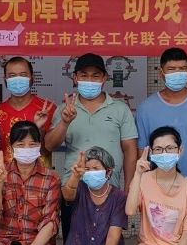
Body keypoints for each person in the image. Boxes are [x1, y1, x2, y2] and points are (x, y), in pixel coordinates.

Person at [45, 53, 138, 235]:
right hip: (73, 189)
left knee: (108, 244)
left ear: (104, 78)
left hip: (110, 189)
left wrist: (129, 187)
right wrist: (65, 122)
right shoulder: (65, 109)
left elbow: (130, 150)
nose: (89, 80)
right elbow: (49, 146)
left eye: (95, 76)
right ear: (75, 78)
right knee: (74, 242)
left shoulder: (120, 109)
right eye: (84, 75)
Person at [136, 48, 187, 187]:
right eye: (171, 69)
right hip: (157, 188)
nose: (177, 73)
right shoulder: (145, 108)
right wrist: (145, 185)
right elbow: (142, 152)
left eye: (182, 69)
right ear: (161, 73)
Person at [0, 56, 56, 166]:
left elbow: (48, 149)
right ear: (5, 79)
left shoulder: (47, 110)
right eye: (12, 76)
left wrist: (38, 129)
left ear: (32, 77)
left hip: (40, 175)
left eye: (23, 75)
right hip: (5, 175)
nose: (18, 79)